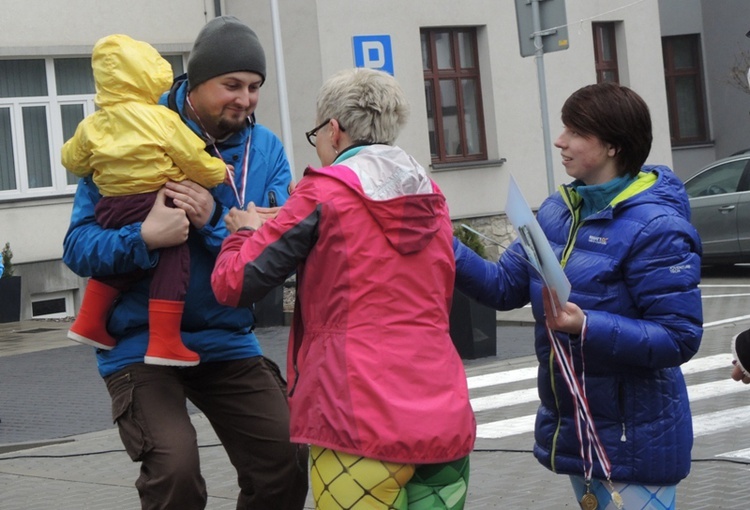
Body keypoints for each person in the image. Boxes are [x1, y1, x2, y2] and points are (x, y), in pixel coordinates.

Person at [62, 16, 308, 510]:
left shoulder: (268, 152)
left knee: (286, 456)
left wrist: (214, 221)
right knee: (175, 473)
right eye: (231, 85)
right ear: (195, 84)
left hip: (225, 337)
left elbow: (274, 255)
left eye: (255, 87)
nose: (245, 98)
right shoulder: (128, 133)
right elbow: (78, 247)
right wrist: (144, 237)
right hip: (138, 343)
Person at [211, 67, 476, 510]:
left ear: (334, 130)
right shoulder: (429, 194)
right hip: (442, 418)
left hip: (356, 419)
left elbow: (234, 282)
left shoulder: (324, 192)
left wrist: (241, 231)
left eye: (317, 133)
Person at [454, 82, 703, 509]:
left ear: (611, 146)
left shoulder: (656, 227)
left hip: (634, 439)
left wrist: (585, 325)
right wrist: (441, 240)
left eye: (574, 131)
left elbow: (679, 336)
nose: (559, 140)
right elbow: (502, 286)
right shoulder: (558, 209)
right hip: (580, 432)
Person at [61, 33, 230, 366]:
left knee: (130, 261)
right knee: (173, 258)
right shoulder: (161, 119)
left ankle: (89, 320)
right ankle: (164, 340)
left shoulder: (93, 124)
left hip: (111, 204)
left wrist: (102, 166)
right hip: (152, 196)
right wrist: (217, 172)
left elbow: (73, 160)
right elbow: (189, 156)